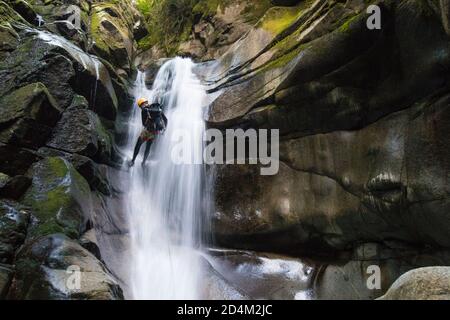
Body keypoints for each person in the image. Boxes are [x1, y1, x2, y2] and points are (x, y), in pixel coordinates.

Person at [129, 98, 168, 167]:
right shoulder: (158, 109)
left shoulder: (144, 110)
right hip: (155, 133)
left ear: (141, 105)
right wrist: (164, 129)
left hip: (147, 131)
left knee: (138, 145)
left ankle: (132, 161)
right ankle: (143, 162)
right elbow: (166, 119)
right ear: (146, 102)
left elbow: (143, 123)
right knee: (148, 147)